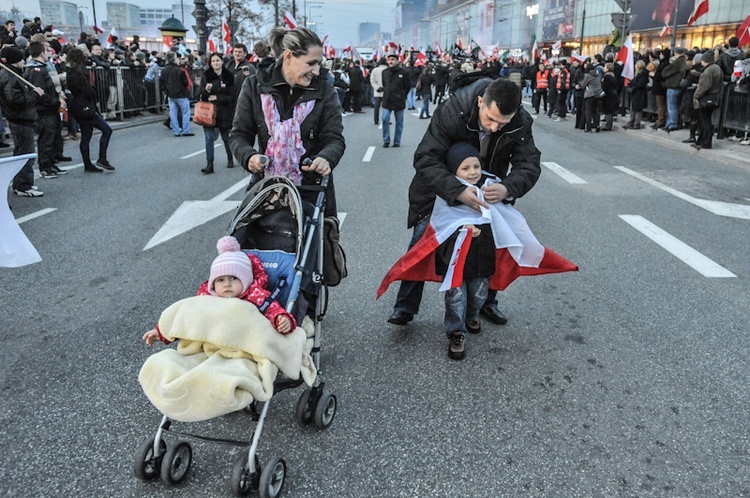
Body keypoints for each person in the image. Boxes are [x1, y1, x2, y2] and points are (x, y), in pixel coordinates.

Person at [387, 77, 540, 327]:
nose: (493, 128)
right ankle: (405, 305)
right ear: (481, 102)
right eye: (490, 119)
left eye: (502, 123)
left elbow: (529, 163)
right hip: (440, 189)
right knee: (421, 243)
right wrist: (457, 190)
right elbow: (426, 157)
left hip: (488, 192)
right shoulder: (452, 110)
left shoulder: (520, 121)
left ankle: (486, 303)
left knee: (492, 247)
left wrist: (508, 188)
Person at [229, 26, 345, 219]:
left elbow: (334, 138)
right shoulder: (254, 86)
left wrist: (326, 158)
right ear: (289, 56)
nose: (317, 71)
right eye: (311, 63)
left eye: (319, 64)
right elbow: (239, 134)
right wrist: (249, 157)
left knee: (315, 247)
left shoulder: (325, 91)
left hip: (312, 191)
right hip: (266, 188)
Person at [143, 236, 296, 346]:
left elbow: (272, 309)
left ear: (246, 280)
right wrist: (162, 332)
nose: (227, 284)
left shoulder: (255, 295)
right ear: (213, 284)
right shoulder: (206, 298)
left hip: (243, 342)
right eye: (221, 280)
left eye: (234, 278)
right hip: (212, 342)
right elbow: (185, 319)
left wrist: (282, 319)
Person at [436, 143, 496, 360]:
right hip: (455, 258)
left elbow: (503, 217)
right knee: (455, 297)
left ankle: (473, 315)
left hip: (481, 256)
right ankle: (456, 332)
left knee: (479, 294)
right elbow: (439, 225)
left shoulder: (488, 188)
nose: (472, 172)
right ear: (454, 171)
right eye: (465, 168)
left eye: (476, 166)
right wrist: (460, 229)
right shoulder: (448, 194)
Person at [0, 46, 45, 196]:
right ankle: (23, 186)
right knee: (26, 153)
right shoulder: (8, 76)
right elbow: (15, 100)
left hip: (21, 118)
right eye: (21, 58)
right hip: (19, 119)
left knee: (22, 152)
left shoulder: (12, 74)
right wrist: (34, 94)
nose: (23, 61)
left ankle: (20, 183)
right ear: (15, 60)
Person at [65, 47, 115, 172]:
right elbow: (88, 91)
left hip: (77, 106)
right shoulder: (78, 73)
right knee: (107, 130)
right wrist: (94, 93)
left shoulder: (70, 72)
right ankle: (101, 158)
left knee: (86, 136)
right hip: (85, 106)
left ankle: (88, 164)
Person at [198, 52, 236, 174]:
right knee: (209, 138)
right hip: (209, 112)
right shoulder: (206, 75)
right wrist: (206, 90)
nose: (215, 63)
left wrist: (218, 97)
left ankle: (230, 157)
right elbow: (200, 95)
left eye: (217, 60)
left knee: (225, 137)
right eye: (213, 61)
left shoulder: (228, 76)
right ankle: (210, 164)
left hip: (224, 112)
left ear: (222, 62)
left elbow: (232, 96)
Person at [692, 49, 723, 150]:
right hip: (714, 96)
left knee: (704, 121)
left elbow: (704, 86)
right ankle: (703, 141)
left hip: (707, 97)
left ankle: (704, 142)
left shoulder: (708, 70)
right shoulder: (717, 68)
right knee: (707, 120)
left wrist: (696, 95)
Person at [160, 50, 193, 137]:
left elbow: (161, 83)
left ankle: (176, 131)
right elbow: (185, 83)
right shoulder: (180, 70)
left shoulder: (164, 70)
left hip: (171, 94)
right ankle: (186, 130)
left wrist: (166, 91)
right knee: (185, 112)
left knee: (173, 113)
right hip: (181, 94)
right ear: (175, 59)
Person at [381, 53, 410, 148]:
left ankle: (397, 141)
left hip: (399, 100)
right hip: (387, 100)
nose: (391, 61)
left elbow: (407, 86)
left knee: (399, 122)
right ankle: (386, 139)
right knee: (385, 118)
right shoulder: (384, 72)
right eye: (389, 59)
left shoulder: (403, 72)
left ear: (397, 61)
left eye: (393, 59)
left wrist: (402, 96)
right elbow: (384, 84)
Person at [661, 47, 688, 132]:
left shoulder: (677, 62)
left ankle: (672, 123)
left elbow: (665, 72)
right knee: (674, 106)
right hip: (678, 86)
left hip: (673, 86)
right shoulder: (683, 61)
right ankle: (671, 123)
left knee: (672, 107)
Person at [623, 60, 649, 130]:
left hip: (640, 94)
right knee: (632, 109)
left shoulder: (643, 74)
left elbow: (640, 84)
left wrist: (632, 84)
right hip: (635, 93)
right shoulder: (638, 74)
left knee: (637, 109)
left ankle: (636, 123)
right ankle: (631, 122)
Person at [581, 62, 602, 133]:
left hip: (590, 94)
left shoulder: (587, 75)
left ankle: (588, 126)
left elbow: (583, 85)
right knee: (596, 111)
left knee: (588, 111)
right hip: (597, 94)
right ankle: (597, 125)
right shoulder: (597, 75)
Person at [600, 62, 618, 131]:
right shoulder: (613, 76)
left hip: (607, 96)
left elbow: (604, 86)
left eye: (605, 67)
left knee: (608, 110)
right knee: (610, 110)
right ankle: (609, 124)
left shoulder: (607, 77)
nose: (604, 68)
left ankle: (608, 125)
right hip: (612, 95)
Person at [370, 57, 386, 125]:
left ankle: (376, 120)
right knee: (386, 107)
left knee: (377, 107)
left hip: (377, 91)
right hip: (386, 91)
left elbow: (372, 80)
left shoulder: (375, 70)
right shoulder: (388, 69)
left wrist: (376, 88)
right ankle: (385, 119)